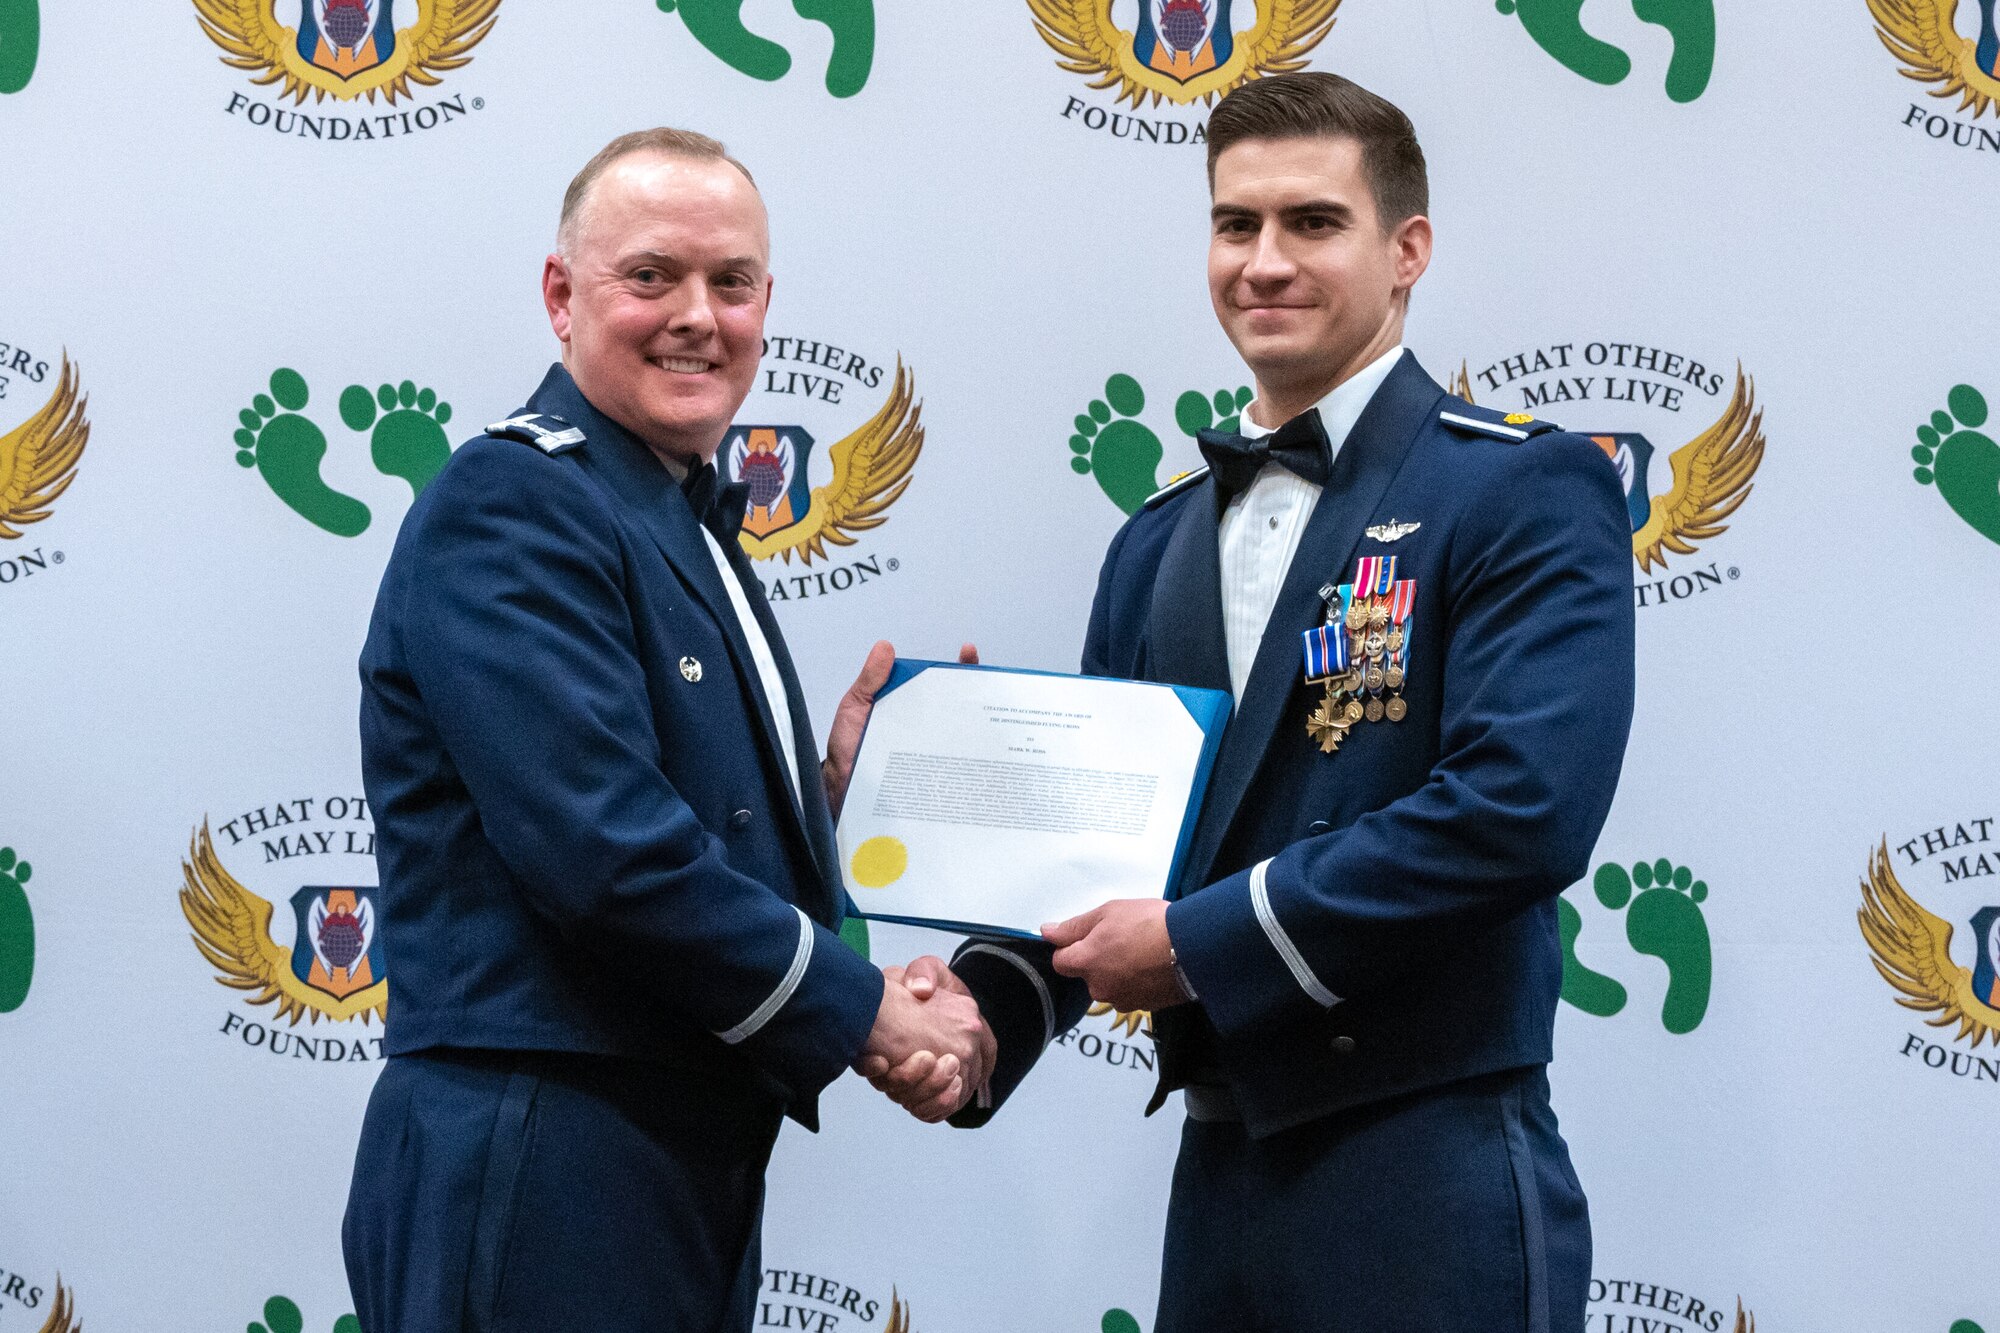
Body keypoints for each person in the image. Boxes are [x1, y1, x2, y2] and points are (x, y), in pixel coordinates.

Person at [878, 72, 1636, 1331]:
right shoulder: (1154, 542)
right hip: (1217, 1180)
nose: (1263, 262)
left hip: (1428, 1166)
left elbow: (1519, 812)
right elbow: (1104, 855)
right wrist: (980, 1021)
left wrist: (1189, 946)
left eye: (1311, 223)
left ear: (1407, 252)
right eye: (1235, 225)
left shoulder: (1523, 488)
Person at [342, 127, 992, 1333]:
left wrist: (822, 802)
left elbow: (669, 810)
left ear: (766, 305)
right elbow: (607, 851)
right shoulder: (516, 501)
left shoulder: (675, 514)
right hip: (548, 1144)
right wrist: (863, 1009)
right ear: (560, 295)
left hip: (655, 1149)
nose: (698, 315)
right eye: (651, 276)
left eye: (730, 283)